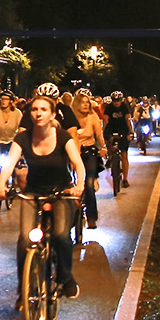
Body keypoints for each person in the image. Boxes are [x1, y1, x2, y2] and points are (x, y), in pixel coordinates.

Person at [0, 93, 87, 302]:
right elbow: (9, 164)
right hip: (33, 193)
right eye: (35, 109)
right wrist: (1, 185)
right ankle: (24, 289)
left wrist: (79, 186)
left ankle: (65, 277)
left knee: (61, 235)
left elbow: (78, 164)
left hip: (61, 192)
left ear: (52, 114)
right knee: (25, 239)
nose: (38, 113)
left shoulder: (63, 137)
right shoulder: (22, 138)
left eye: (44, 109)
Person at [70, 88, 106, 229]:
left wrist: (103, 147)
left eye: (87, 102)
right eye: (82, 102)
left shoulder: (93, 117)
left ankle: (91, 216)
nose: (85, 105)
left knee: (89, 184)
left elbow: (99, 135)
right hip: (73, 153)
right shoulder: (71, 118)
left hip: (89, 152)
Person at [102, 90, 136, 185]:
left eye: (118, 100)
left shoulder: (125, 106)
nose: (116, 102)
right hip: (111, 128)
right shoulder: (108, 107)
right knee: (108, 140)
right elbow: (105, 120)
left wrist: (131, 132)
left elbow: (128, 119)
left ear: (121, 100)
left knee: (124, 154)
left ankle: (125, 179)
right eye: (114, 100)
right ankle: (110, 157)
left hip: (123, 129)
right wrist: (102, 132)